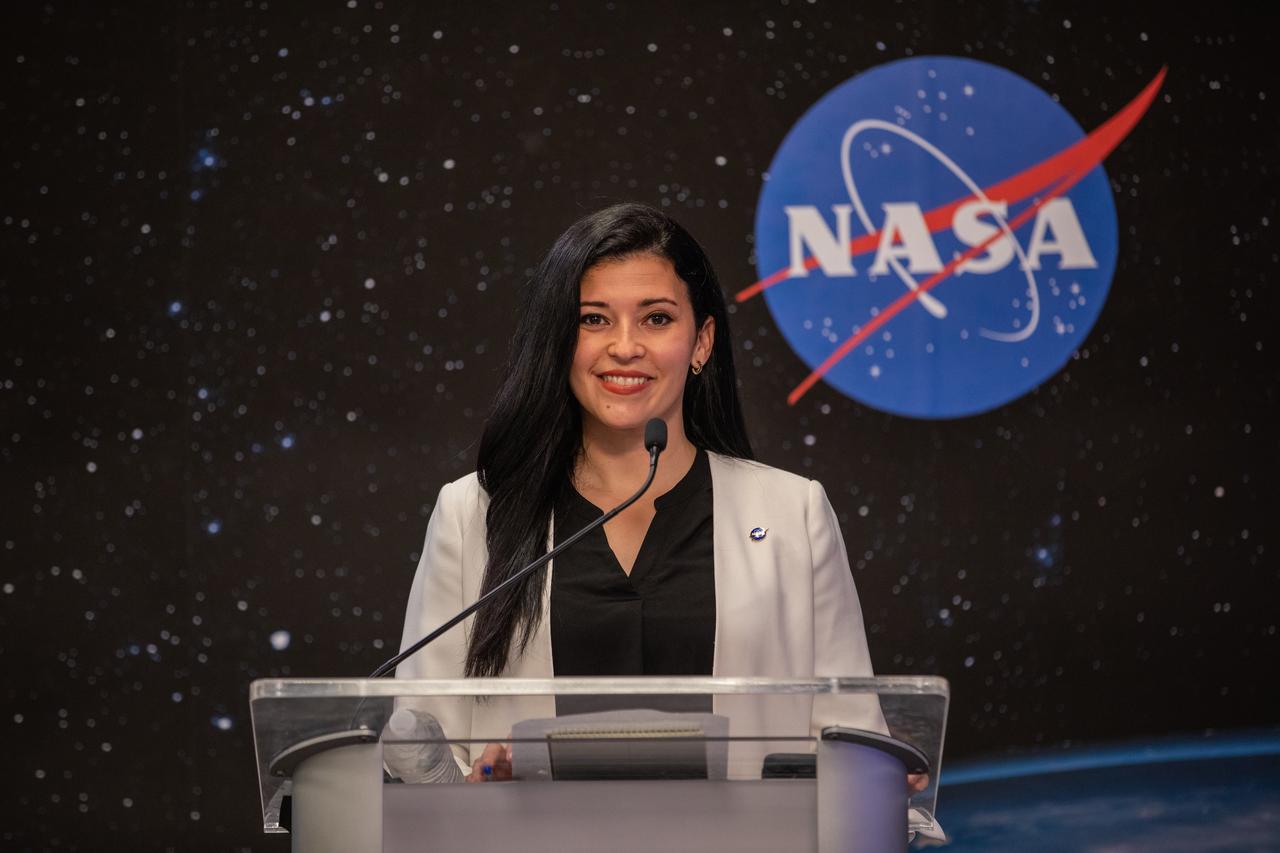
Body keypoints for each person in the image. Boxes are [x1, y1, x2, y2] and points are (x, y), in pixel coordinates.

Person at [395, 202, 893, 784]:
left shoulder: (792, 513)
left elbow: (850, 737)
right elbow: (419, 748)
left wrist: (877, 778)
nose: (625, 346)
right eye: (593, 319)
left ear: (701, 341)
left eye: (656, 319)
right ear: (559, 341)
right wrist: (474, 789)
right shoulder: (472, 514)